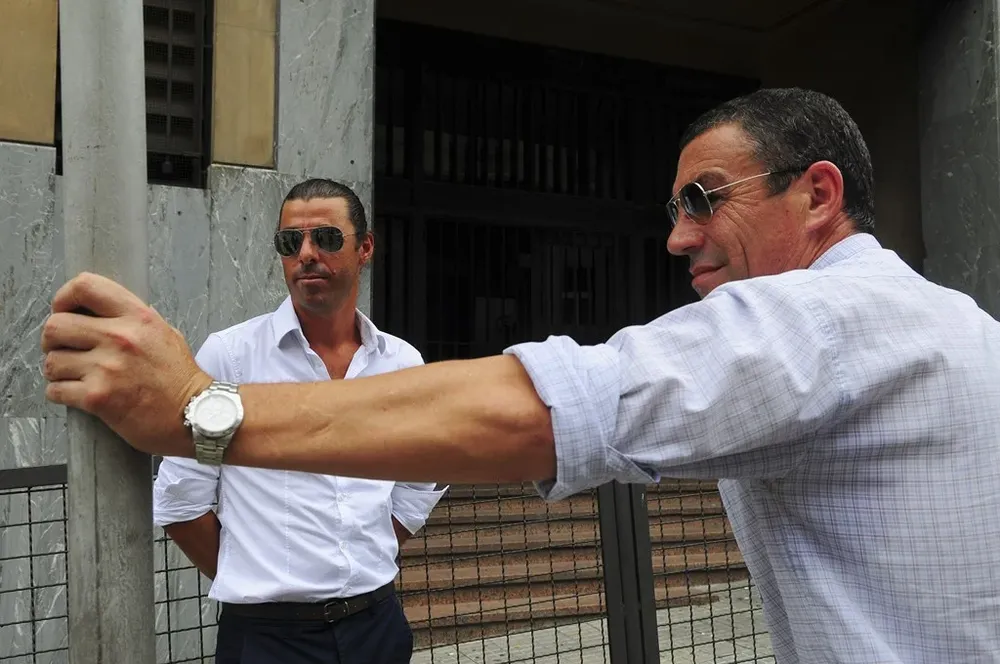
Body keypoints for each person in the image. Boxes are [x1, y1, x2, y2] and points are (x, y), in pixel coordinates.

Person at [40, 87, 1000, 663]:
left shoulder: (825, 317)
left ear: (818, 194)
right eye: (288, 240)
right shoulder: (959, 325)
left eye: (704, 201)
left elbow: (548, 410)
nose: (677, 237)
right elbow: (188, 511)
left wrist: (196, 411)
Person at [152, 178, 446, 664]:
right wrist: (257, 576)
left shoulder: (401, 364)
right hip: (269, 641)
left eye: (326, 238)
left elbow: (420, 478)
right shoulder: (231, 359)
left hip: (377, 628)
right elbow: (182, 499)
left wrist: (360, 551)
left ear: (365, 247)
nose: (307, 253)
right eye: (291, 242)